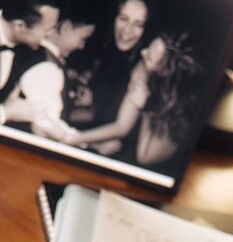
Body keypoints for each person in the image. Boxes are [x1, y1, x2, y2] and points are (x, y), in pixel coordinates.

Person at [60, 31, 201, 168]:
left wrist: (146, 107)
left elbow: (144, 157)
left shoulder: (180, 112)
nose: (143, 52)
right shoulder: (143, 68)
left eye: (149, 57)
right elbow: (118, 122)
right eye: (148, 48)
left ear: (165, 72)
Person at [8, 6, 97, 140]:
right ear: (66, 27)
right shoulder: (47, 68)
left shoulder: (48, 60)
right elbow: (47, 125)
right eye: (83, 38)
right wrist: (91, 143)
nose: (82, 46)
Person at [71, 0, 150, 130]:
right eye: (123, 19)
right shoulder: (108, 51)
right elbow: (95, 113)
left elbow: (121, 128)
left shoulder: (143, 68)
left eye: (139, 24)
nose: (128, 30)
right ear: (113, 18)